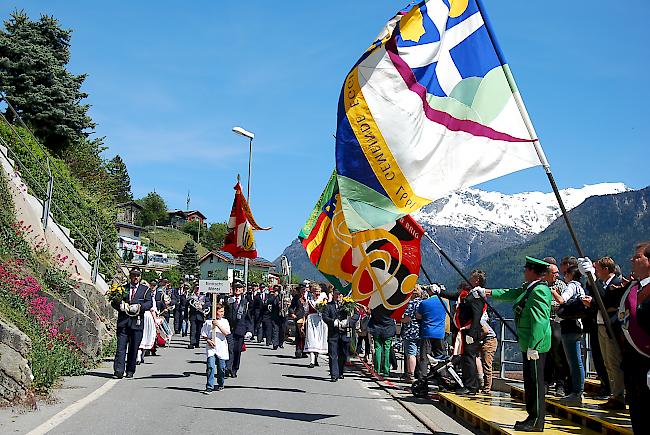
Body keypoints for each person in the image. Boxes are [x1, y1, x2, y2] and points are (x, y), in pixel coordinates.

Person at [477, 256, 552, 432]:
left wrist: (534, 345)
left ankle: (536, 421)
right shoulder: (530, 288)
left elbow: (539, 321)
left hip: (536, 346)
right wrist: (487, 292)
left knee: (535, 383)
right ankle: (532, 417)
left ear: (533, 271)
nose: (524, 271)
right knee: (530, 382)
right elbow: (511, 293)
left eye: (526, 268)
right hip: (529, 344)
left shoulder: (539, 291)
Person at [610, 242, 650, 433]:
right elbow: (605, 299)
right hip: (633, 363)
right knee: (637, 416)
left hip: (647, 362)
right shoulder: (633, 288)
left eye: (638, 257)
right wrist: (591, 277)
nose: (632, 259)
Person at [579, 256, 626, 409]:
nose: (597, 272)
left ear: (606, 270)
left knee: (614, 361)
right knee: (607, 362)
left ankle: (618, 395)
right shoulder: (604, 284)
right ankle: (614, 393)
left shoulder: (616, 284)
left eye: (598, 269)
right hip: (600, 324)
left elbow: (606, 301)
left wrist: (593, 300)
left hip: (611, 326)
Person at [438, 271, 487, 395]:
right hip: (465, 331)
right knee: (465, 358)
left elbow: (477, 315)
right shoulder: (470, 293)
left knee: (469, 358)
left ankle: (471, 386)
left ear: (477, 280)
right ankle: (467, 383)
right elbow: (455, 295)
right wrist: (440, 291)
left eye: (472, 277)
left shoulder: (477, 295)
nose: (469, 279)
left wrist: (472, 332)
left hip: (470, 330)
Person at [553, 265, 587, 405]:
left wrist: (554, 292)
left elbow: (562, 300)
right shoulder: (580, 287)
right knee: (577, 360)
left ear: (571, 274)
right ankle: (577, 390)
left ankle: (577, 392)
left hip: (569, 325)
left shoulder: (572, 286)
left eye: (566, 272)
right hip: (578, 325)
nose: (564, 275)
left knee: (574, 361)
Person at [112, 268, 153, 379]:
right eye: (134, 275)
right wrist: (119, 305)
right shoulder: (122, 288)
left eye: (138, 275)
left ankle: (130, 370)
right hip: (123, 322)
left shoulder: (145, 290)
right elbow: (113, 301)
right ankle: (119, 370)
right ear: (130, 276)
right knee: (120, 348)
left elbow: (149, 303)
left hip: (137, 323)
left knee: (134, 348)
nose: (136, 278)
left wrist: (140, 307)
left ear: (140, 276)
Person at [543, 263, 569, 397]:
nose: (557, 275)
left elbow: (562, 303)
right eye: (554, 273)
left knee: (558, 353)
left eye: (558, 273)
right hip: (543, 324)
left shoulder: (561, 285)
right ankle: (545, 382)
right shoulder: (541, 285)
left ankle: (560, 384)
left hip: (556, 322)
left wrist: (547, 303)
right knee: (545, 354)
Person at [322, 290, 359, 381]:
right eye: (336, 294)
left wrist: (348, 322)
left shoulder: (348, 304)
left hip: (344, 333)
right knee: (333, 354)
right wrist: (333, 322)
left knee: (343, 354)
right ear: (333, 294)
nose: (338, 296)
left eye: (340, 294)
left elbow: (357, 315)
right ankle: (334, 375)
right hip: (333, 333)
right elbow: (325, 317)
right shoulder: (328, 306)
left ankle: (340, 371)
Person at [415, 285, 448, 381]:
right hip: (440, 333)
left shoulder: (424, 303)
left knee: (424, 357)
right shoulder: (444, 303)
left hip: (427, 332)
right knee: (440, 357)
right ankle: (443, 377)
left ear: (430, 292)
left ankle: (422, 379)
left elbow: (418, 316)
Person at [224, 280, 253, 378]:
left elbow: (249, 318)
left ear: (242, 290)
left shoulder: (245, 303)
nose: (237, 289)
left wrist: (249, 330)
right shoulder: (229, 300)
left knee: (237, 351)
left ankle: (234, 368)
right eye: (235, 288)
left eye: (239, 288)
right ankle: (228, 367)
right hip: (229, 329)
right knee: (229, 349)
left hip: (240, 330)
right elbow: (223, 313)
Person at [201, 303, 230, 394]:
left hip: (221, 347)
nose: (222, 313)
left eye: (223, 311)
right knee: (210, 366)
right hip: (211, 348)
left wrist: (218, 325)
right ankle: (209, 386)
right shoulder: (208, 322)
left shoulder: (225, 321)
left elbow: (226, 333)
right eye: (220, 311)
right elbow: (204, 334)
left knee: (221, 368)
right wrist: (208, 340)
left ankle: (220, 382)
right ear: (215, 312)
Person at [400, 287, 423, 381]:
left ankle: (411, 374)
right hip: (421, 330)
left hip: (410, 330)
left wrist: (400, 319)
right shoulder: (423, 303)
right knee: (418, 353)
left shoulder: (410, 303)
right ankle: (420, 373)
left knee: (411, 353)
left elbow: (407, 318)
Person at [304, 284, 328, 368]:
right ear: (313, 292)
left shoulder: (323, 300)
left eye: (319, 291)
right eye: (316, 291)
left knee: (318, 340)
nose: (317, 293)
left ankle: (316, 359)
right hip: (311, 320)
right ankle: (312, 361)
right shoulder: (309, 300)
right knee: (311, 339)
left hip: (320, 321)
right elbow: (306, 311)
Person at [368, 308, 397, 378]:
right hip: (388, 329)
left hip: (377, 329)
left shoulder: (375, 306)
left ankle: (377, 369)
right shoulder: (391, 305)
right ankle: (386, 370)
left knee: (378, 349)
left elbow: (371, 314)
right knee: (387, 350)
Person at [288, 286, 307, 358]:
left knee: (305, 334)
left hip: (307, 317)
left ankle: (304, 350)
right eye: (302, 290)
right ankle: (298, 350)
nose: (304, 291)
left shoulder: (307, 297)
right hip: (299, 317)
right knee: (299, 334)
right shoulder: (296, 298)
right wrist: (292, 313)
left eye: (304, 290)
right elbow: (291, 307)